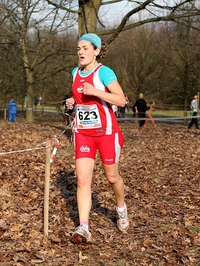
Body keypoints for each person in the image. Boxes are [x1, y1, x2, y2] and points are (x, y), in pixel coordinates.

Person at [65, 33, 129, 244]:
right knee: (83, 180)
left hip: (106, 133)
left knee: (112, 178)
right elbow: (79, 99)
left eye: (85, 48)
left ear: (96, 51)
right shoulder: (75, 72)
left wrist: (96, 92)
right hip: (83, 133)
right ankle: (84, 227)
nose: (81, 52)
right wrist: (72, 104)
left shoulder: (105, 72)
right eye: (78, 49)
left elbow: (120, 100)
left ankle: (121, 207)